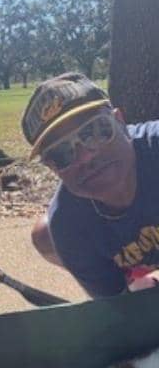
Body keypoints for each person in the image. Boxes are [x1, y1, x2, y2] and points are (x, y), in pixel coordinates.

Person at [21, 72, 159, 298]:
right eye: (61, 153)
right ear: (52, 168)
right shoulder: (67, 227)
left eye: (94, 131)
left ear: (120, 121)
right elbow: (118, 307)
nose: (85, 157)